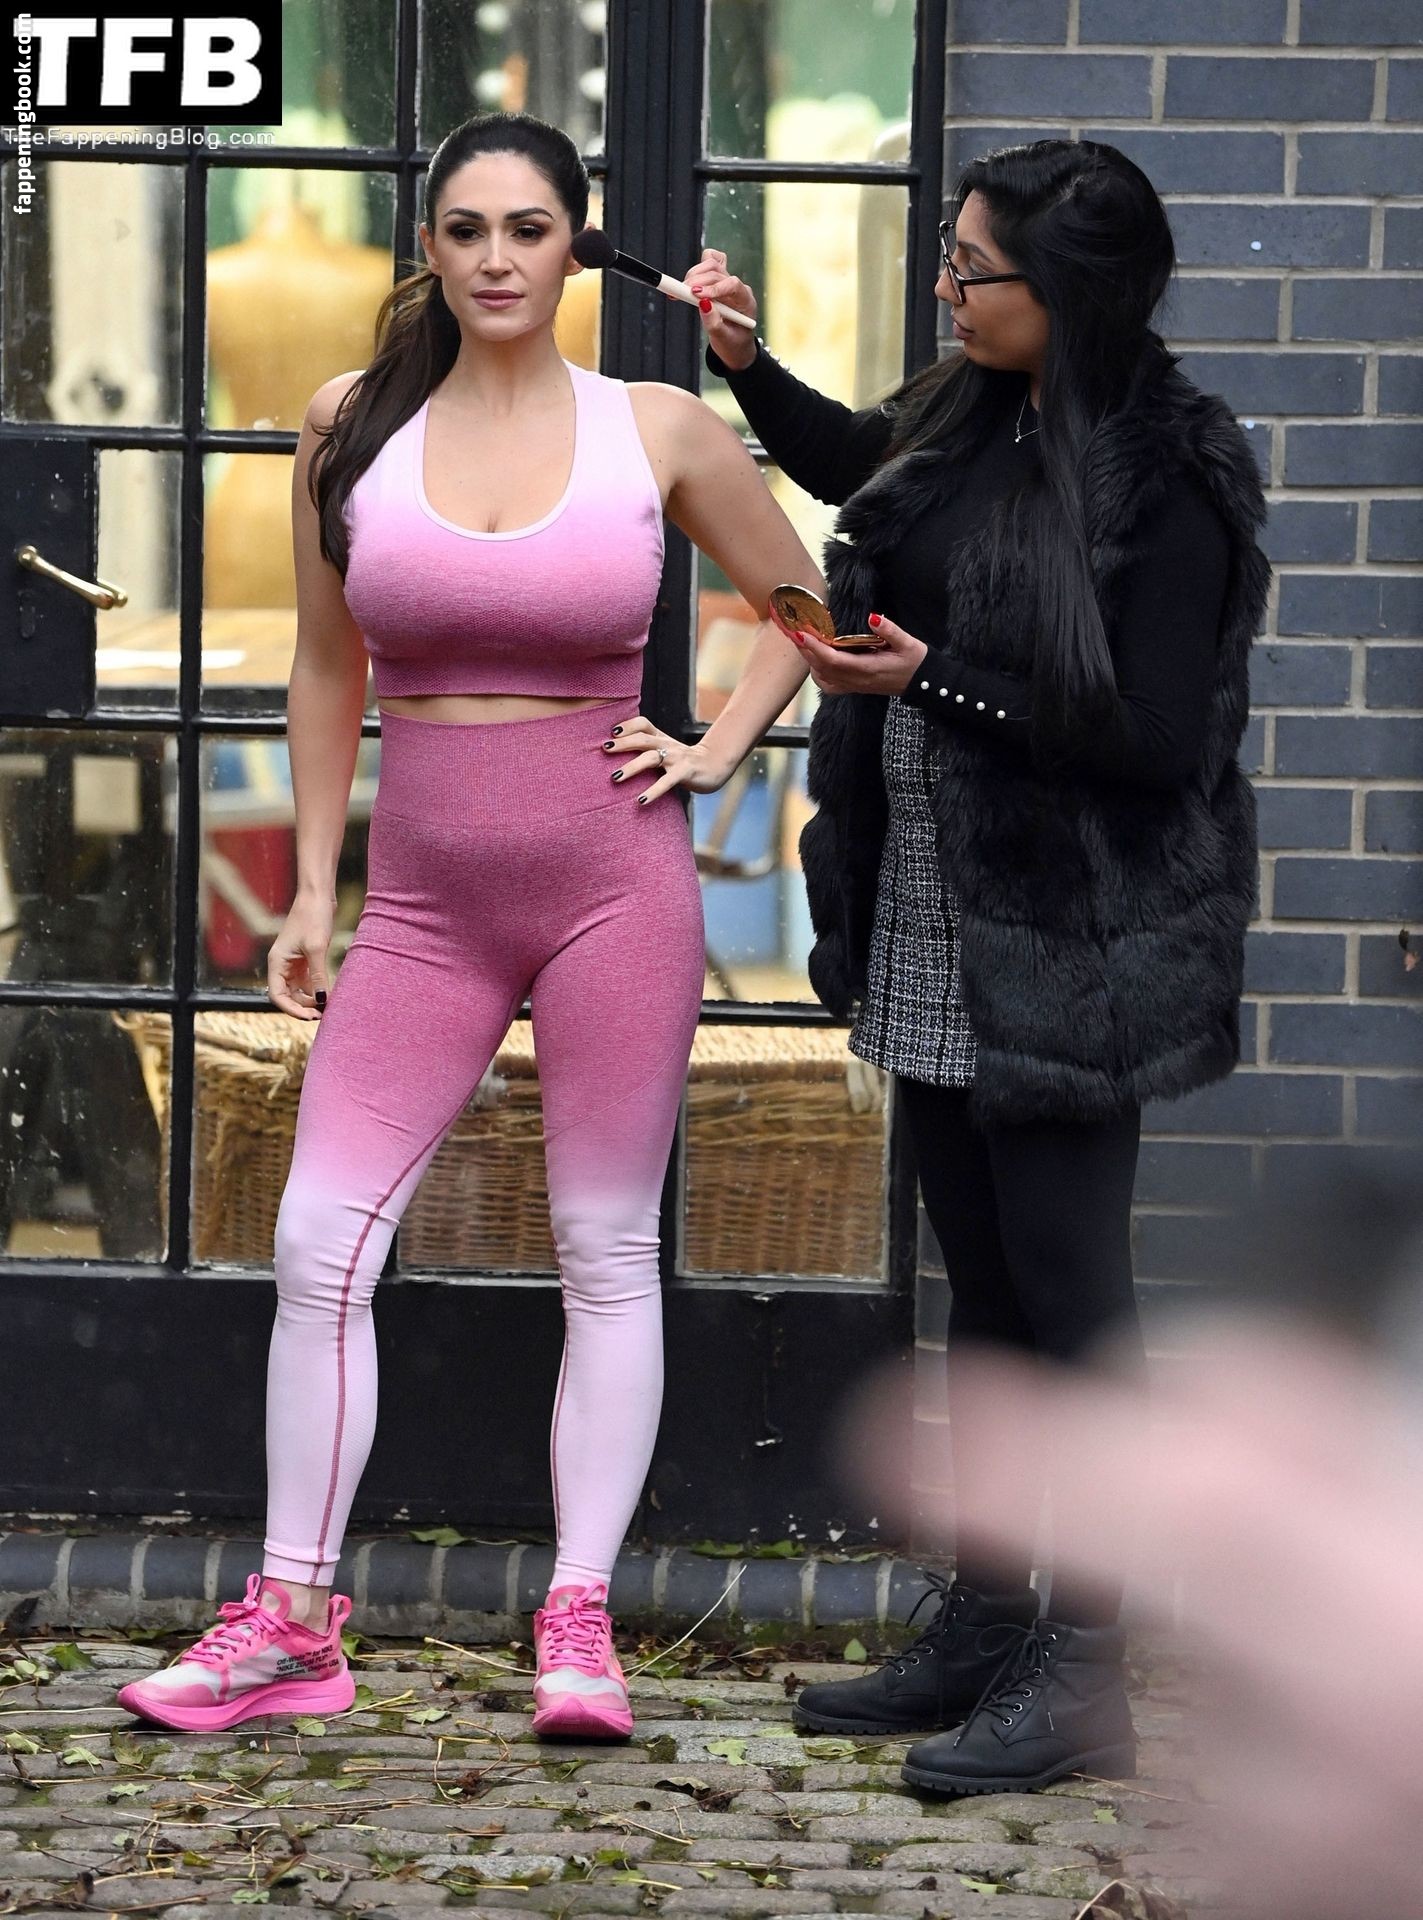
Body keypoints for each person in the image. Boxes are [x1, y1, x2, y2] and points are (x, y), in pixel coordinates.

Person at [116, 112, 820, 1743]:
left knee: (604, 1250)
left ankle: (579, 1621)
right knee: (319, 1241)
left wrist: (716, 745)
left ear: (575, 247)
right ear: (427, 248)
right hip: (424, 906)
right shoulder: (349, 423)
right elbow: (325, 667)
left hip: (612, 888)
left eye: (528, 228)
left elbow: (808, 609)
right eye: (465, 229)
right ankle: (292, 1624)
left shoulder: (656, 427)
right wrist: (311, 885)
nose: (497, 258)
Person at [689, 137, 1269, 1796]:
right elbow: (862, 470)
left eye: (972, 268)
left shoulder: (1172, 470)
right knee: (990, 1297)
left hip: (1077, 947)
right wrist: (748, 366)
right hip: (935, 912)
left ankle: (1086, 1671)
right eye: (948, 257)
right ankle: (991, 1623)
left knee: (1075, 1305)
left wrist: (933, 681)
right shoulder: (970, 406)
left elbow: (1157, 741)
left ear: (1067, 289)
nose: (946, 286)